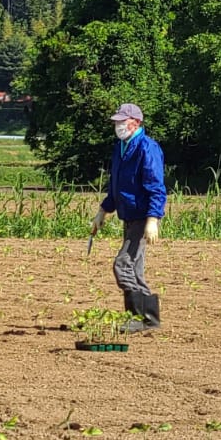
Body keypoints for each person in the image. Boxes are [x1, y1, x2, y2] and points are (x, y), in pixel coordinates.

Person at [90, 103, 166, 332]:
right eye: (117, 122)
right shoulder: (120, 147)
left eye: (123, 122)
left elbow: (156, 187)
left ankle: (137, 317)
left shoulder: (147, 148)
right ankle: (149, 320)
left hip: (142, 216)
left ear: (136, 122)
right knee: (135, 269)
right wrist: (102, 211)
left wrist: (153, 219)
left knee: (122, 264)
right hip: (128, 215)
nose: (118, 125)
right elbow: (117, 187)